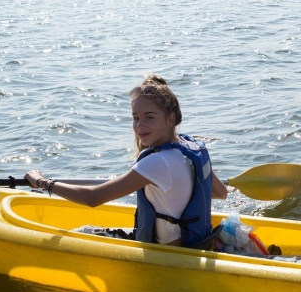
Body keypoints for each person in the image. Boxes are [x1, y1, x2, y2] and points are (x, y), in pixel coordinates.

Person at [25, 74, 228, 247]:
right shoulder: (190, 148)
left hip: (164, 252)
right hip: (195, 244)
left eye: (149, 117)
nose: (140, 125)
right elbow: (220, 193)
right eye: (136, 117)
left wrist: (44, 183)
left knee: (79, 232)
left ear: (170, 119)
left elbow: (93, 198)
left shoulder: (157, 162)